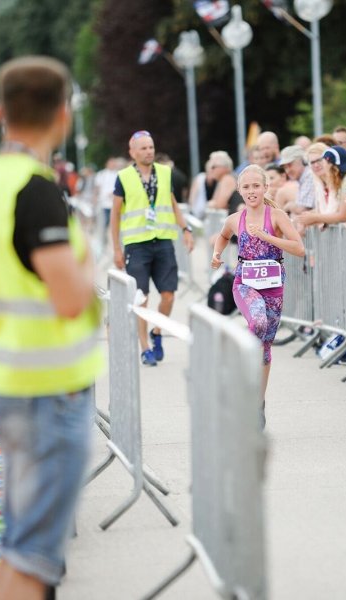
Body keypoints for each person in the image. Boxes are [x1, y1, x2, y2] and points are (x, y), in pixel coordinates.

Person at [0, 56, 104, 600]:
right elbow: (67, 297)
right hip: (51, 391)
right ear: (64, 116)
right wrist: (90, 269)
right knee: (32, 561)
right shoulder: (36, 189)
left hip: (9, 381)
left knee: (19, 546)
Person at [210, 165, 305, 426]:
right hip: (245, 283)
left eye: (256, 186)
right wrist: (216, 255)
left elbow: (299, 248)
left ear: (265, 188)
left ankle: (257, 404)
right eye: (246, 187)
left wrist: (267, 237)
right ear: (239, 190)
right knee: (258, 323)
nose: (251, 191)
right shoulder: (234, 219)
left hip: (273, 286)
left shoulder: (276, 216)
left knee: (264, 348)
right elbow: (222, 236)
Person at [111, 130, 195, 366]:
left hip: (164, 241)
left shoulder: (165, 173)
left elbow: (172, 203)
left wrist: (186, 229)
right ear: (132, 152)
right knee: (141, 299)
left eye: (151, 147)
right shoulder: (124, 177)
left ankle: (156, 332)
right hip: (137, 245)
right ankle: (145, 348)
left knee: (168, 296)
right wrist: (116, 250)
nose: (149, 151)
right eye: (143, 148)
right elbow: (115, 215)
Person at [294, 144, 346, 227]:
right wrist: (308, 218)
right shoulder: (342, 180)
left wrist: (315, 218)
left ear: (329, 165)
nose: (316, 165)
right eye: (312, 162)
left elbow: (343, 216)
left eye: (320, 160)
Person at [276, 145, 315, 215]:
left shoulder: (309, 176)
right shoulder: (304, 178)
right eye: (285, 167)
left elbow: (303, 210)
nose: (287, 171)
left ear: (302, 161)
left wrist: (289, 206)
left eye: (290, 165)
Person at [93, 157, 122, 244]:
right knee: (104, 224)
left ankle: (115, 240)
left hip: (115, 203)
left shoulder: (119, 174)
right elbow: (97, 188)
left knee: (115, 224)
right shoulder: (101, 174)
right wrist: (95, 198)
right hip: (104, 203)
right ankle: (103, 241)